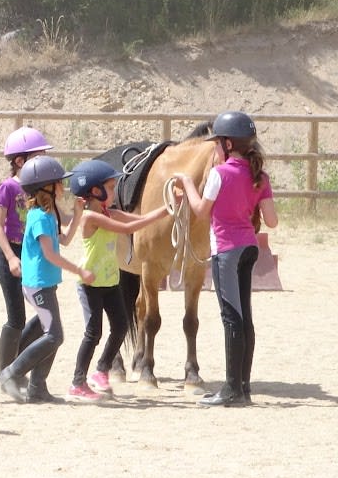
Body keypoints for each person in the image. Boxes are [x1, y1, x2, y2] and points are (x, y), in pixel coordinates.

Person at [175, 110, 278, 407]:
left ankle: (231, 388)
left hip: (226, 251)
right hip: (249, 248)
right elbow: (271, 221)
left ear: (228, 144)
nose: (216, 148)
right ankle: (242, 387)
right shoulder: (261, 177)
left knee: (231, 316)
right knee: (244, 315)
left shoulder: (218, 174)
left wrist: (186, 182)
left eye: (217, 143)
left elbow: (200, 210)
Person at [64, 159, 169, 402]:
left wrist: (166, 209)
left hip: (109, 282)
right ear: (95, 191)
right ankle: (77, 382)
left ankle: (101, 370)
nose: (114, 193)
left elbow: (135, 218)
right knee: (93, 333)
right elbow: (129, 227)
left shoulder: (106, 212)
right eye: (110, 188)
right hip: (90, 284)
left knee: (121, 326)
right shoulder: (91, 217)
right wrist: (162, 214)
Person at [0, 155, 90, 404]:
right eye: (59, 182)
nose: (63, 186)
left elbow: (65, 241)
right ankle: (11, 372)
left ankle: (37, 387)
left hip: (46, 283)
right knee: (54, 335)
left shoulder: (49, 214)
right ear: (46, 186)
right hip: (37, 284)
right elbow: (49, 253)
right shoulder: (38, 216)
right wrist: (79, 271)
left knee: (52, 334)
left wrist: (78, 213)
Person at [0, 127, 51, 375]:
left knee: (46, 314)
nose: (43, 161)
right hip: (11, 256)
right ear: (20, 160)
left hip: (31, 255)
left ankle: (16, 366)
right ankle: (6, 371)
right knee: (16, 317)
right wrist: (10, 257)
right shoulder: (8, 187)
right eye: (37, 156)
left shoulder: (40, 188)